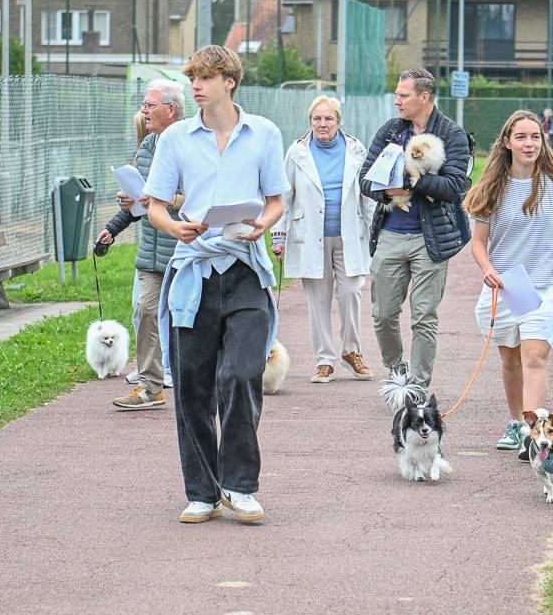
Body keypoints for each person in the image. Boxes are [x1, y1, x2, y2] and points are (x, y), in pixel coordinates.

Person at [145, 45, 288, 524]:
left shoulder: (264, 133)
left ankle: (241, 485)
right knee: (192, 386)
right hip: (193, 271)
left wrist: (263, 225)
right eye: (193, 79)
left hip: (246, 268)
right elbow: (156, 206)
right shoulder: (177, 139)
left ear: (230, 81)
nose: (197, 86)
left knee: (242, 373)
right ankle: (202, 492)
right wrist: (174, 228)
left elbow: (274, 201)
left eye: (205, 77)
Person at [464, 110, 553, 457]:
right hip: (506, 289)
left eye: (535, 137)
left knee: (534, 356)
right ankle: (517, 422)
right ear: (507, 143)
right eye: (521, 137)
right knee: (511, 359)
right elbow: (478, 243)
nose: (529, 143)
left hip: (545, 287)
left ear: (543, 142)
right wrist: (487, 268)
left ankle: (536, 432)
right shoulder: (491, 189)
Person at [358, 68, 472, 389]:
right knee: (382, 315)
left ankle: (418, 388)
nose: (397, 101)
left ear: (424, 97)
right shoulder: (391, 132)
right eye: (397, 94)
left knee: (424, 317)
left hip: (431, 240)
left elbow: (453, 185)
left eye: (403, 95)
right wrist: (387, 191)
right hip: (391, 234)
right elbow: (365, 177)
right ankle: (398, 372)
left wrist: (412, 180)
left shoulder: (452, 134)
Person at [271, 95, 376, 383]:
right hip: (310, 236)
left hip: (349, 235)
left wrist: (376, 232)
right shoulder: (296, 152)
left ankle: (351, 351)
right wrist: (278, 236)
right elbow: (284, 197)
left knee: (351, 293)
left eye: (328, 118)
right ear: (310, 122)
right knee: (318, 300)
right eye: (317, 119)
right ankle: (324, 360)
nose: (323, 124)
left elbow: (367, 196)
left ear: (338, 121)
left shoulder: (356, 150)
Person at [97, 81, 186, 411]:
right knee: (145, 312)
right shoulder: (148, 145)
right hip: (150, 251)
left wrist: (165, 200)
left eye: (149, 105)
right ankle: (151, 386)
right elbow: (144, 196)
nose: (144, 111)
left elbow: (201, 198)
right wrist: (129, 202)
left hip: (185, 250)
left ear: (170, 109)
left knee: (190, 319)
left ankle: (198, 379)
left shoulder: (194, 145)